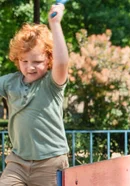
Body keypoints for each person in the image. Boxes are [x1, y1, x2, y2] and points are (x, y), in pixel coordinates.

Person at [0, 4, 70, 186]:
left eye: (37, 61)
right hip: (18, 162)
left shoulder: (51, 84)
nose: (30, 67)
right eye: (24, 61)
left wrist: (55, 24)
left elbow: (62, 63)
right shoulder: (10, 82)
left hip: (51, 162)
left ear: (49, 59)